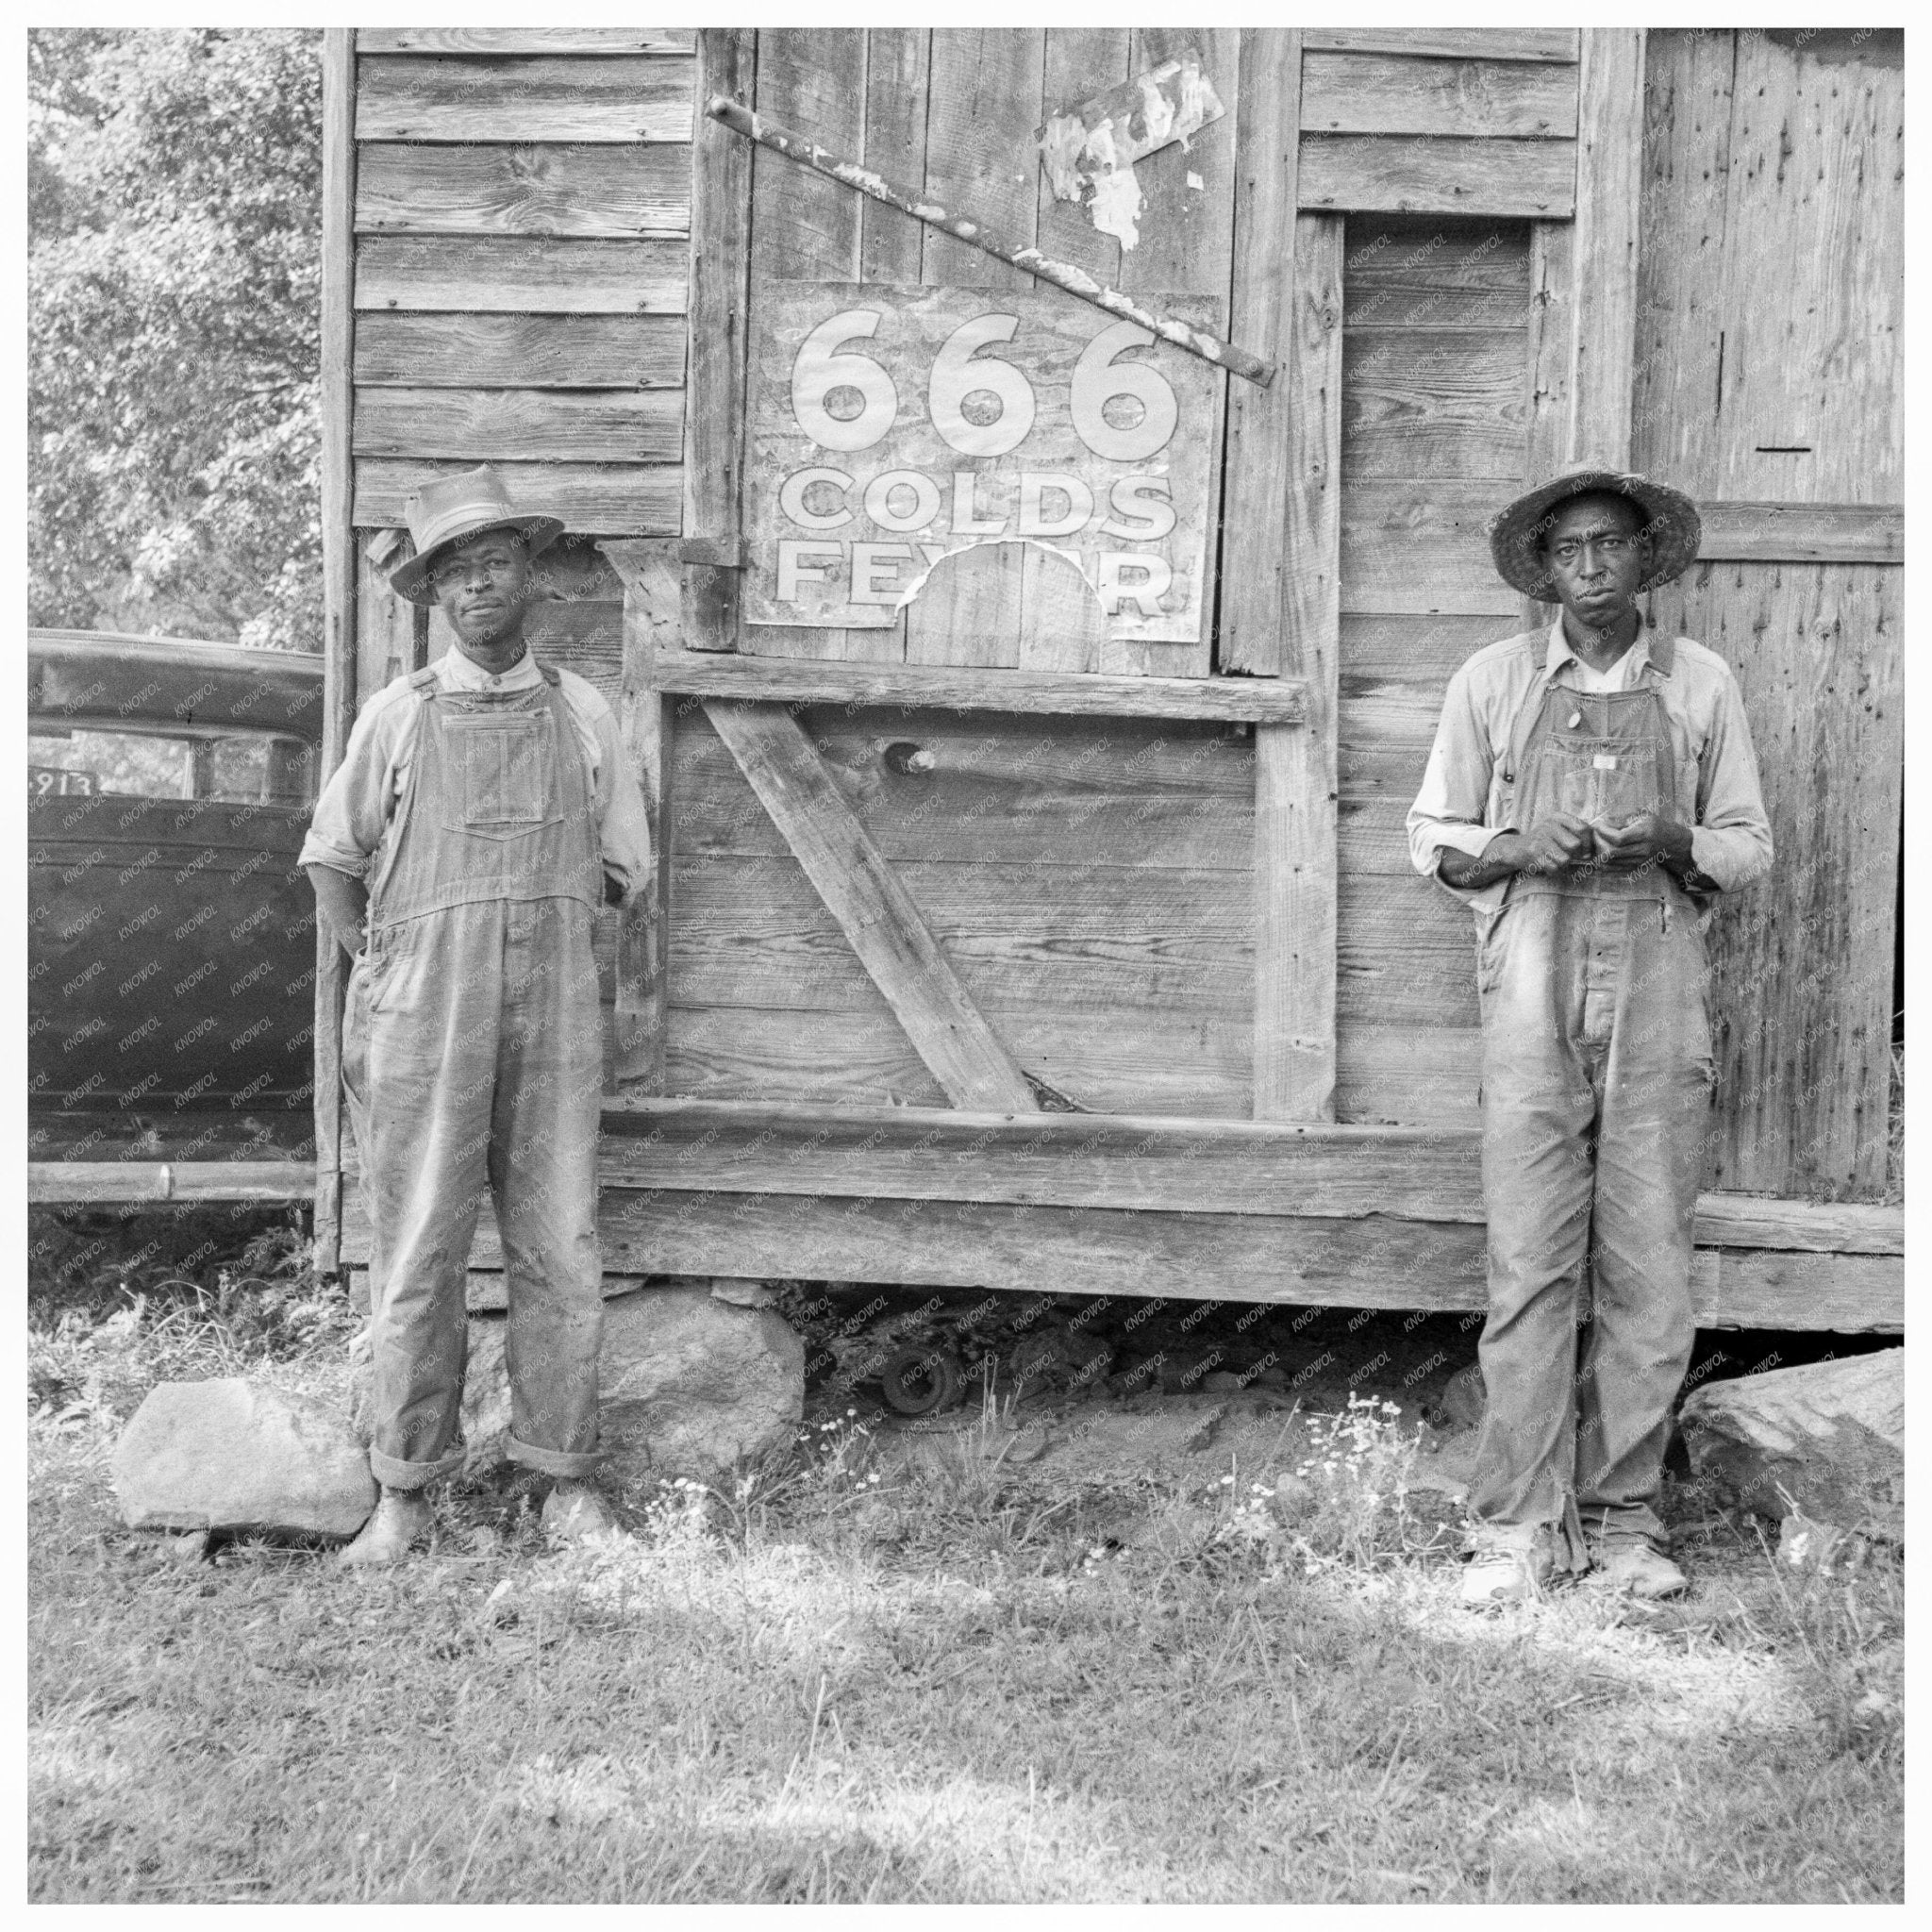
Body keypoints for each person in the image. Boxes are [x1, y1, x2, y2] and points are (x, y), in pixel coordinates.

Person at [1407, 464, 1773, 1606]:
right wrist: (1518, 844)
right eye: (1567, 550)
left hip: (1658, 988)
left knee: (1647, 1263)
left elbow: (1746, 842)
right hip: (1531, 983)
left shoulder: (1699, 681)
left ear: (1644, 557)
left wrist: (1671, 836)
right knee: (1527, 1258)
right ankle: (1512, 1527)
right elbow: (1430, 834)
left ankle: (1623, 1522)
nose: (1591, 566)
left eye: (1610, 544)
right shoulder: (1491, 680)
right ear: (1543, 569)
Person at [302, 466, 652, 1564]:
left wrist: (538, 938)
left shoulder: (584, 712)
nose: (477, 587)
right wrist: (387, 960)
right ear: (435, 595)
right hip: (421, 1014)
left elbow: (623, 871)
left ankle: (564, 1483)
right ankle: (403, 1491)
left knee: (560, 1241)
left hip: (553, 1010)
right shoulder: (396, 715)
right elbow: (331, 859)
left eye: (494, 563)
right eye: (455, 573)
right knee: (417, 1246)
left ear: (530, 575)